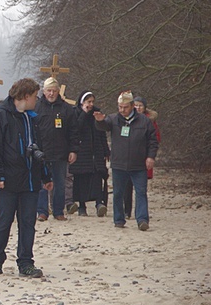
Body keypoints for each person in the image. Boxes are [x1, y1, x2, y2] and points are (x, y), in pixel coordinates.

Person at [0, 79, 53, 278]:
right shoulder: (0, 116)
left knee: (27, 223)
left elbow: (38, 148)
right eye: (34, 96)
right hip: (6, 180)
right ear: (25, 96)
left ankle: (25, 262)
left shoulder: (32, 118)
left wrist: (45, 175)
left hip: (30, 180)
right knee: (4, 221)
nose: (37, 99)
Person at [94, 91, 159, 231]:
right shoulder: (113, 119)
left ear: (132, 106)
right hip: (119, 164)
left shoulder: (144, 121)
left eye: (125, 107)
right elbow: (103, 126)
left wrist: (150, 156)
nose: (122, 110)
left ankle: (142, 219)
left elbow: (153, 141)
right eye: (120, 107)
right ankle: (119, 219)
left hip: (139, 164)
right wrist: (99, 121)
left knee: (141, 192)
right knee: (118, 192)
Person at [35, 77, 79, 222]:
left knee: (59, 183)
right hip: (42, 152)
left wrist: (73, 150)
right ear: (44, 91)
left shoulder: (66, 108)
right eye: (49, 91)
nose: (51, 94)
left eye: (54, 91)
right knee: (42, 183)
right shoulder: (37, 107)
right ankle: (42, 211)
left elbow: (73, 131)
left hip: (61, 152)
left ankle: (58, 210)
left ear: (58, 91)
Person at [69, 91, 110, 216]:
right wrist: (84, 113)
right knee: (81, 179)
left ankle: (99, 203)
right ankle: (82, 206)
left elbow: (102, 132)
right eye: (88, 102)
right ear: (82, 102)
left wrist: (106, 150)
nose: (91, 104)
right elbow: (76, 129)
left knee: (98, 177)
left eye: (92, 101)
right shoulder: (75, 113)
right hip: (81, 152)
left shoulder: (97, 113)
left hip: (96, 151)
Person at [124, 96, 161, 218]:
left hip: (143, 158)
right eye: (135, 105)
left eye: (140, 105)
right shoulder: (126, 119)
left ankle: (141, 214)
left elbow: (155, 139)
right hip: (127, 158)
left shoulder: (149, 121)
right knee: (126, 186)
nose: (137, 108)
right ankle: (127, 211)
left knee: (140, 189)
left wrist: (150, 156)